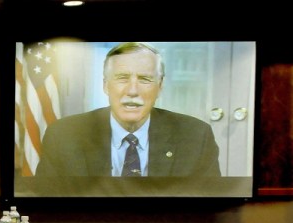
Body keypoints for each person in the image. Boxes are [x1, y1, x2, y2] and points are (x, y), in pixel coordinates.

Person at [36, 42, 221, 177]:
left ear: (160, 87)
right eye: (122, 78)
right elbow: (45, 206)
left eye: (145, 79)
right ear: (106, 85)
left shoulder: (196, 136)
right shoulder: (64, 135)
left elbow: (209, 210)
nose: (133, 91)